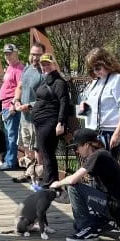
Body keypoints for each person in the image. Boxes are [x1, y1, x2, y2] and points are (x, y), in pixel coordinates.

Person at [50, 128, 120, 241]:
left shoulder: (98, 155)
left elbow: (73, 179)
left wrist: (57, 183)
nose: (76, 151)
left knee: (73, 187)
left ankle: (87, 229)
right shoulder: (101, 154)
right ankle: (114, 221)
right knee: (78, 223)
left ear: (87, 145)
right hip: (119, 204)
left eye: (77, 147)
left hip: (115, 205)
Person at [78, 47, 120, 162]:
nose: (96, 72)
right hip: (93, 132)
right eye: (93, 69)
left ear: (107, 63)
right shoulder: (96, 81)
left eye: (98, 68)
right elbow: (85, 96)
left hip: (109, 133)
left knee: (106, 172)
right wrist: (84, 102)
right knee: (94, 170)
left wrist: (117, 134)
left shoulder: (119, 79)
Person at [31, 53, 70, 187]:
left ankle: (50, 182)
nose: (45, 66)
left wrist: (61, 122)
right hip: (40, 122)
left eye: (48, 64)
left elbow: (64, 102)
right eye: (43, 64)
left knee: (47, 153)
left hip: (50, 121)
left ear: (54, 64)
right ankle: (49, 181)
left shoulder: (59, 82)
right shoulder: (46, 80)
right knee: (46, 152)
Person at [13, 42, 45, 163]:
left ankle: (39, 176)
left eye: (38, 55)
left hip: (37, 118)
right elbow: (19, 87)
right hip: (24, 116)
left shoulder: (44, 72)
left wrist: (30, 106)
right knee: (26, 148)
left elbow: (46, 98)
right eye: (32, 54)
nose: (35, 58)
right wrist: (16, 100)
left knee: (38, 150)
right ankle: (30, 174)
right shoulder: (26, 68)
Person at [0, 44, 25, 170]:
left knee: (11, 135)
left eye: (10, 53)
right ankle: (9, 160)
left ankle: (10, 162)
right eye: (6, 53)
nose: (7, 56)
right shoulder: (10, 68)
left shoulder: (19, 69)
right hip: (5, 104)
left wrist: (14, 104)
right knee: (8, 133)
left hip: (11, 105)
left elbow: (20, 87)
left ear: (16, 53)